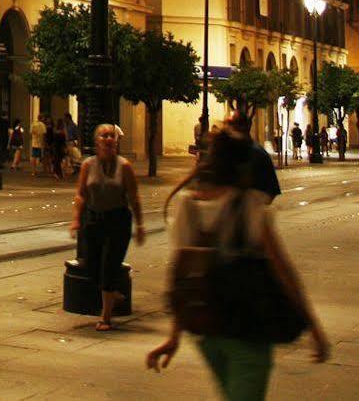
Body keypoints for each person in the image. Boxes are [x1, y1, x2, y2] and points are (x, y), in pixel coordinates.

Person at [148, 130, 331, 398]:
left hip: (208, 332)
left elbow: (182, 274)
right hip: (248, 329)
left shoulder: (187, 205)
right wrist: (313, 327)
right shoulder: (250, 206)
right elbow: (283, 271)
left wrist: (175, 335)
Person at [68, 123, 144, 331]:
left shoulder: (125, 166)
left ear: (116, 142)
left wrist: (140, 225)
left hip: (118, 220)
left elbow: (133, 197)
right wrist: (76, 219)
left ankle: (105, 317)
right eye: (104, 135)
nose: (108, 139)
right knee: (90, 264)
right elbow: (81, 194)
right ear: (96, 141)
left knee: (109, 265)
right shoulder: (87, 165)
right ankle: (112, 293)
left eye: (112, 136)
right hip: (93, 219)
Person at [226, 108, 280, 200]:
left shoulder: (258, 154)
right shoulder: (225, 151)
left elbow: (271, 191)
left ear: (242, 127)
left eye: (230, 124)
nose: (226, 128)